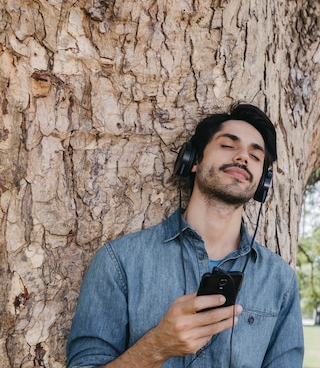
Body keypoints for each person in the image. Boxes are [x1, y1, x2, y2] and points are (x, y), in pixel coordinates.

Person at [66, 103, 304, 368]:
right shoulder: (120, 262)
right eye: (228, 145)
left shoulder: (280, 281)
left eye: (255, 156)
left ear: (263, 183)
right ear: (193, 160)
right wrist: (157, 346)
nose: (242, 157)